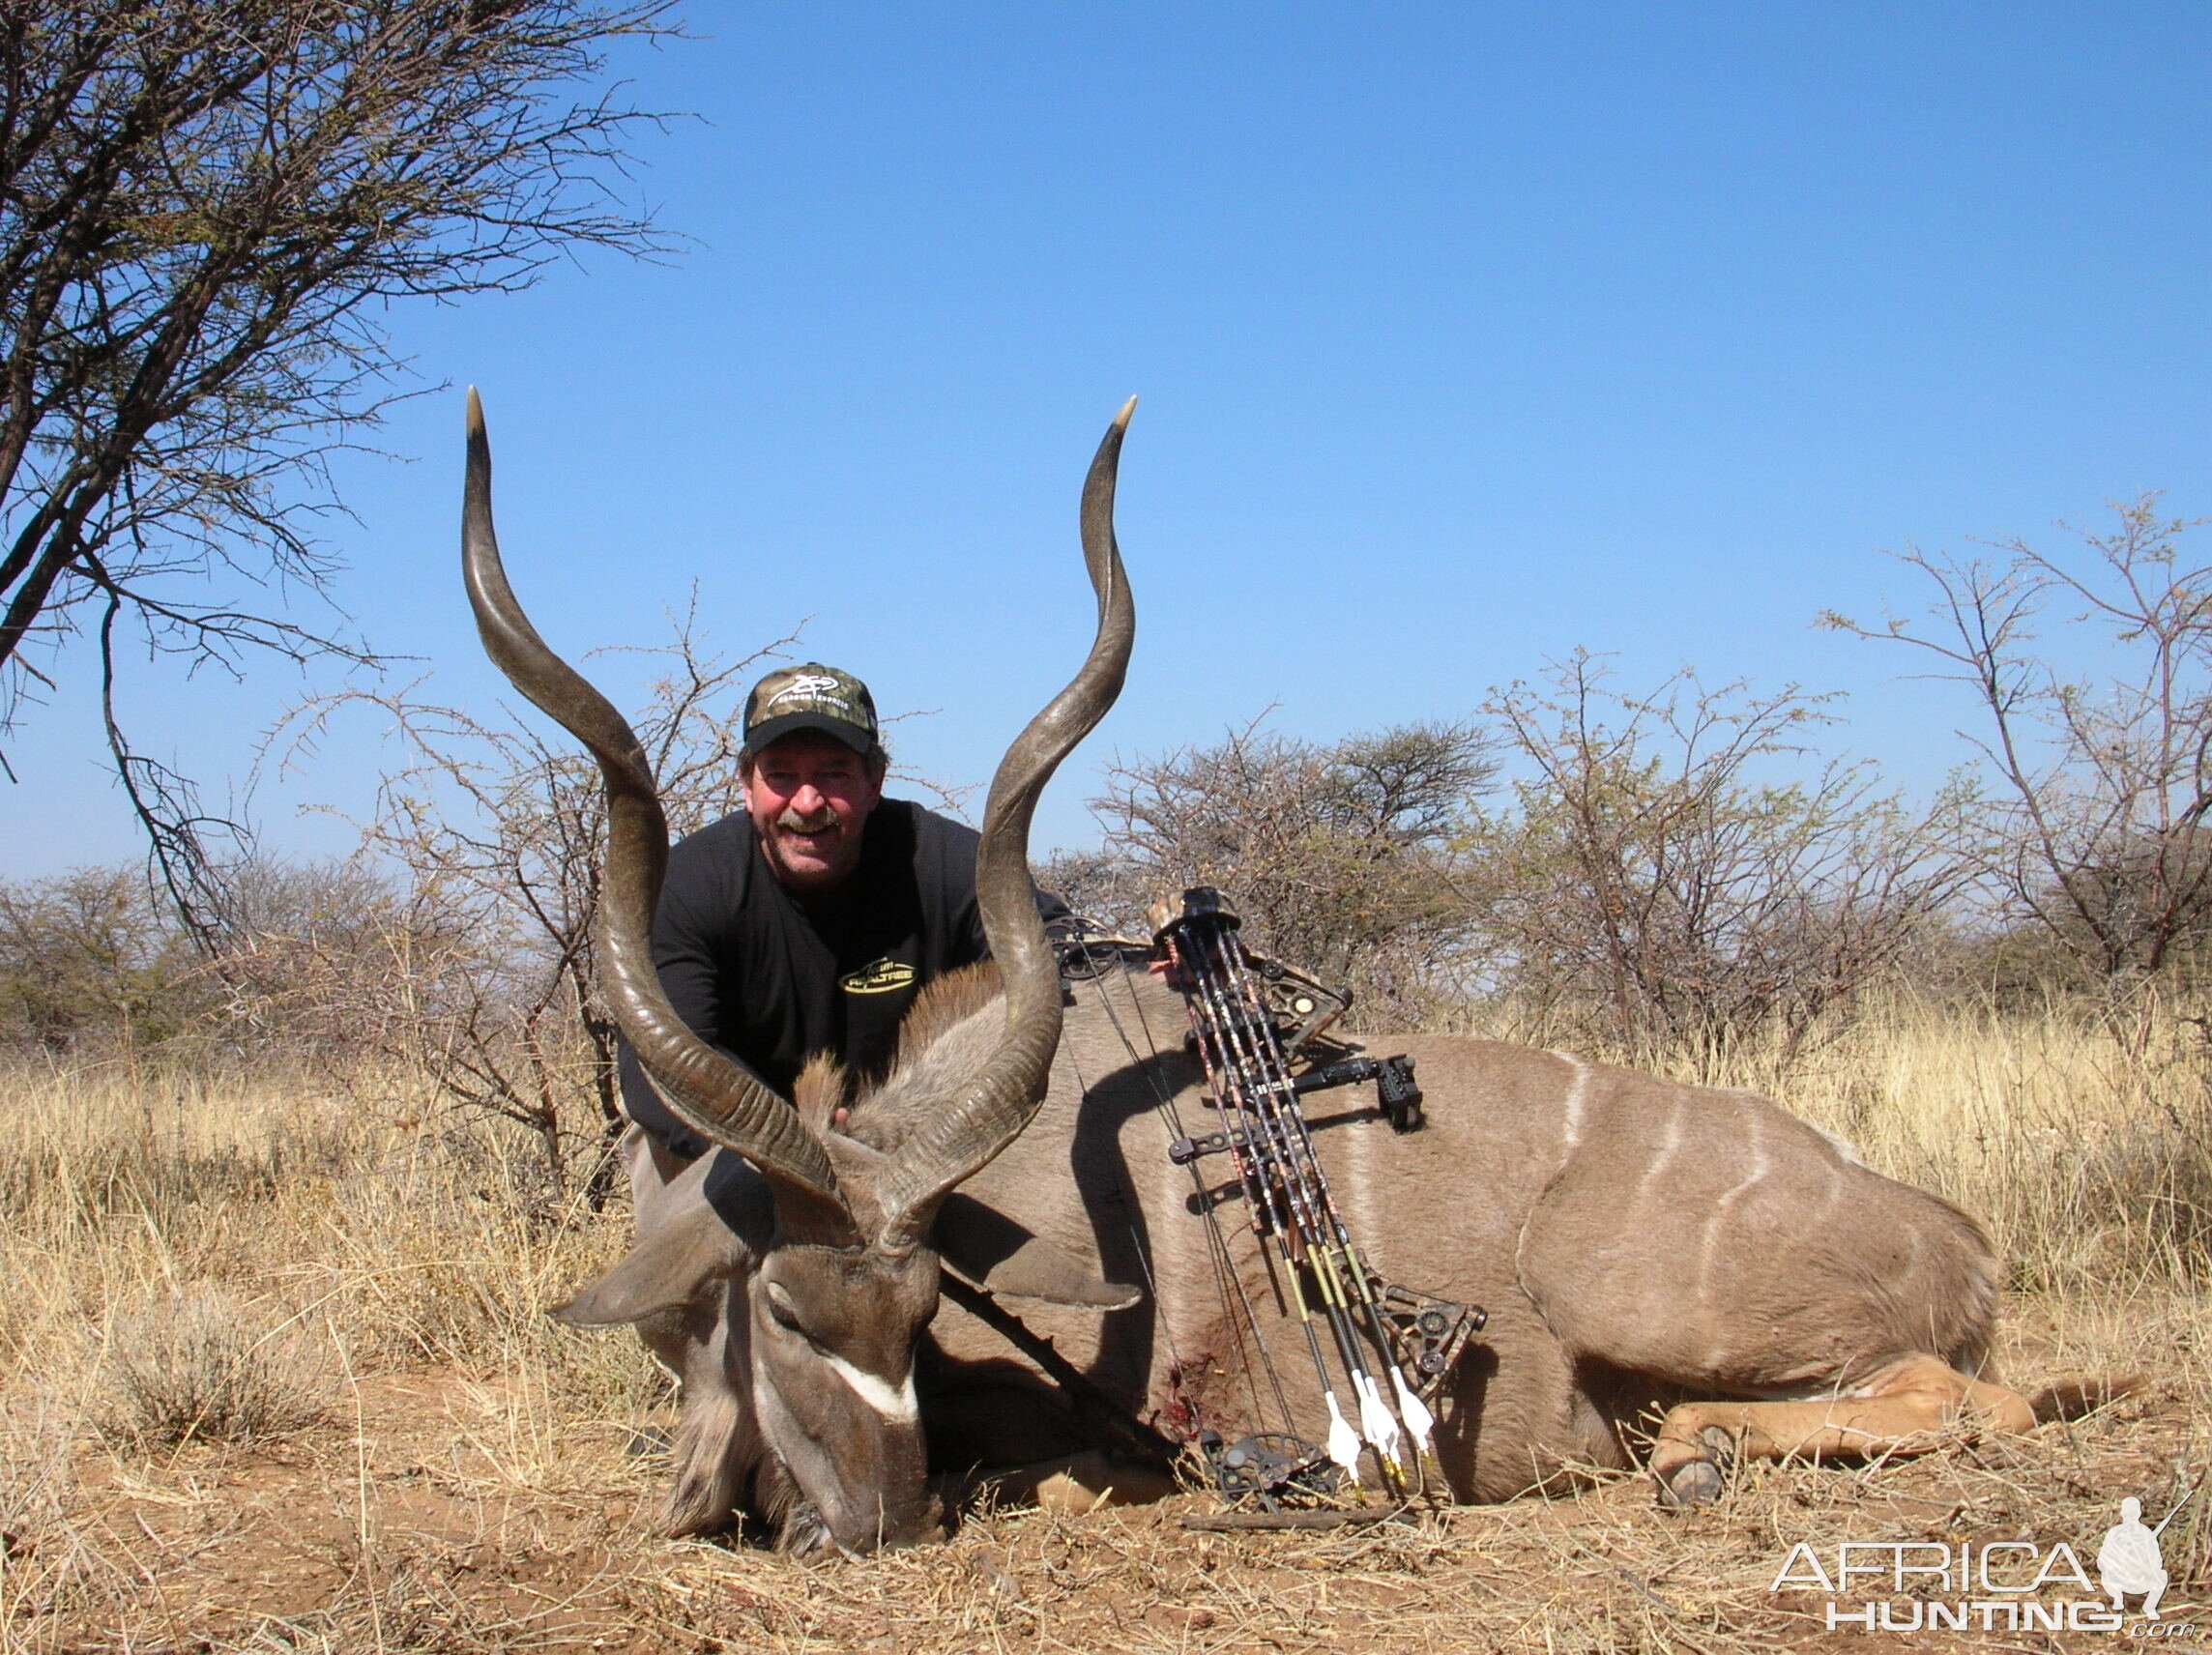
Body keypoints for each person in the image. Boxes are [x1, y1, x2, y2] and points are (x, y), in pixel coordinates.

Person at [617, 662, 1069, 1185]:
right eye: (781, 774)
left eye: (834, 773)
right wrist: (786, 1143)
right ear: (746, 786)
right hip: (747, 1146)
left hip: (912, 1141)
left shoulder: (938, 856)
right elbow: (661, 1064)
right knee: (665, 1161)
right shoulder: (691, 884)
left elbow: (1057, 948)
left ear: (874, 782)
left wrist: (1133, 962)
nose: (807, 803)